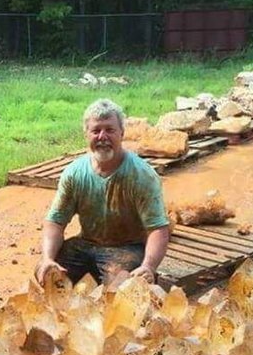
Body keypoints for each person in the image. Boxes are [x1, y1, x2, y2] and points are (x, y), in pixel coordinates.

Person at [35, 98, 170, 286]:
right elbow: (55, 221)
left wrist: (148, 266)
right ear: (86, 134)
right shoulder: (75, 173)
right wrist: (48, 258)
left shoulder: (142, 175)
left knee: (124, 289)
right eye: (96, 131)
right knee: (48, 275)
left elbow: (158, 229)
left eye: (110, 130)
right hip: (86, 244)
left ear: (122, 133)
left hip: (127, 248)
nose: (102, 137)